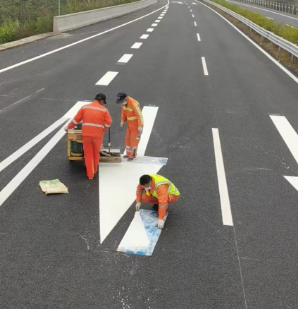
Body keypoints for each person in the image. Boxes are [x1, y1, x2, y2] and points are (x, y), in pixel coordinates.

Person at [65, 93, 112, 179]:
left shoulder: (85, 107)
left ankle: (90, 175)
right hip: (97, 136)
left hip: (86, 135)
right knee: (96, 153)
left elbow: (76, 120)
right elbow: (108, 123)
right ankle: (95, 170)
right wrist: (102, 130)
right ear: (101, 101)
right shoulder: (104, 110)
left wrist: (68, 127)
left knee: (88, 154)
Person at [116, 93, 144, 161]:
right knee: (127, 139)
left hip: (136, 125)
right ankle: (128, 154)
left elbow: (139, 116)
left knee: (133, 140)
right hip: (129, 124)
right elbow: (123, 112)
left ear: (125, 99)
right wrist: (122, 121)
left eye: (122, 101)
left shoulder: (134, 104)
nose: (121, 103)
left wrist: (140, 126)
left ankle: (132, 155)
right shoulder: (123, 104)